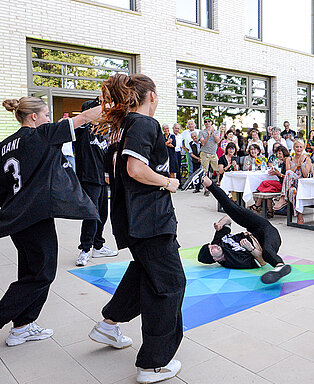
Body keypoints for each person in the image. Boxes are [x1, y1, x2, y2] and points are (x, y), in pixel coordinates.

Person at [90, 74, 185, 383]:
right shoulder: (144, 124)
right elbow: (135, 169)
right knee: (169, 285)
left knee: (145, 271)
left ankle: (109, 323)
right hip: (150, 221)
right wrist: (168, 182)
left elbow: (111, 176)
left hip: (131, 220)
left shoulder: (121, 129)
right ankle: (153, 364)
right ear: (152, 97)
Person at [0, 96, 100, 346]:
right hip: (34, 216)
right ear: (33, 117)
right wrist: (117, 104)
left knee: (30, 270)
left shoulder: (4, 145)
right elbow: (85, 117)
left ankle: (22, 327)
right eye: (46, 114)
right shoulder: (41, 135)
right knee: (42, 274)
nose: (49, 119)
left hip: (15, 217)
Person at [198, 176, 292, 283]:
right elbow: (261, 262)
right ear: (215, 259)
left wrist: (221, 223)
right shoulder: (233, 261)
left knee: (232, 209)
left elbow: (229, 219)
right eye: (211, 249)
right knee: (267, 252)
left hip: (255, 227)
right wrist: (250, 248)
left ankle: (209, 184)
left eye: (210, 245)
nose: (214, 245)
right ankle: (279, 266)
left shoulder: (217, 243)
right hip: (267, 238)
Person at [74, 98, 119, 267]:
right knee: (91, 215)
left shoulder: (101, 132)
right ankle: (85, 249)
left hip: (102, 179)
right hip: (88, 179)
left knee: (102, 214)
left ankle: (98, 246)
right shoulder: (81, 130)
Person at [273, 139, 312, 225]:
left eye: (300, 147)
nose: (298, 149)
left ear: (303, 148)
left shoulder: (307, 159)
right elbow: (288, 174)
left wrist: (301, 164)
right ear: (293, 148)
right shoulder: (289, 159)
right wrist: (297, 164)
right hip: (291, 185)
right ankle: (299, 215)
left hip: (302, 184)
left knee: (290, 173)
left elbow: (305, 175)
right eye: (296, 147)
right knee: (292, 191)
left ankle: (283, 197)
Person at [252, 145, 290, 217]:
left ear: (284, 152)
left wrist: (278, 174)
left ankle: (258, 205)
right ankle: (269, 210)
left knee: (265, 183)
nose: (278, 155)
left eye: (280, 153)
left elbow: (288, 176)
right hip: (280, 182)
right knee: (266, 186)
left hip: (285, 185)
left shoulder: (287, 160)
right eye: (277, 154)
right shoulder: (282, 162)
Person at [199, 118, 221, 195]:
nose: (207, 123)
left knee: (218, 170)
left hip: (213, 153)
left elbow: (218, 141)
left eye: (209, 121)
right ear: (204, 123)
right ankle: (206, 189)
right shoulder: (201, 132)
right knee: (205, 171)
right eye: (205, 121)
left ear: (211, 122)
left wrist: (213, 133)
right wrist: (208, 135)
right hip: (205, 153)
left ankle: (219, 185)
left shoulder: (216, 131)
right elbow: (203, 143)